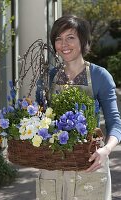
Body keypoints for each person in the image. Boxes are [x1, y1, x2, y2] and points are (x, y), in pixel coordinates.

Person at [35, 15, 121, 200]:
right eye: (58, 38)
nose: (63, 44)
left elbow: (115, 122)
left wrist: (106, 150)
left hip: (90, 164)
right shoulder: (47, 79)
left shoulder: (100, 76)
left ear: (83, 40)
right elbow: (38, 120)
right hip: (53, 166)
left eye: (70, 37)